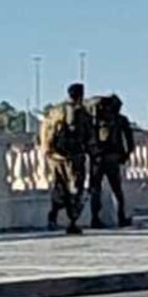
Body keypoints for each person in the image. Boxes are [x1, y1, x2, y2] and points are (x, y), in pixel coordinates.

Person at [44, 83, 94, 234]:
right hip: (74, 156)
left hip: (56, 156)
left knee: (59, 186)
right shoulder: (80, 112)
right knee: (75, 189)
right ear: (81, 94)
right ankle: (72, 221)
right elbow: (88, 135)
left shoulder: (55, 110)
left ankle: (53, 216)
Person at [88, 94, 135, 229]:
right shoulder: (120, 120)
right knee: (117, 190)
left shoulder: (94, 121)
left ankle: (95, 218)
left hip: (97, 160)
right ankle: (121, 217)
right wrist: (126, 155)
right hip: (112, 159)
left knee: (96, 189)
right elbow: (129, 141)